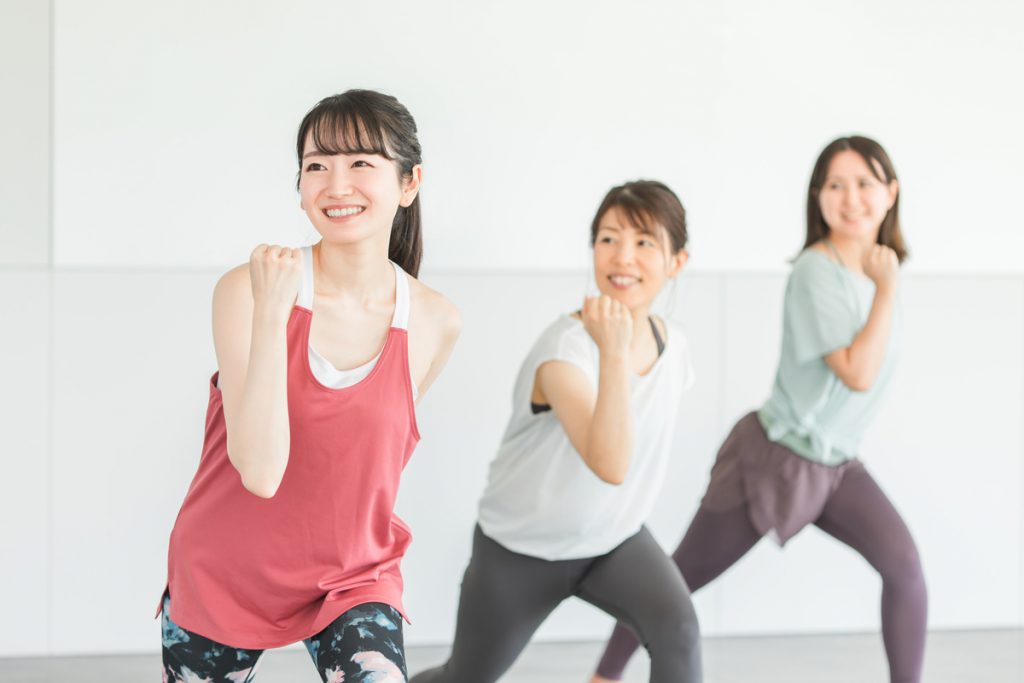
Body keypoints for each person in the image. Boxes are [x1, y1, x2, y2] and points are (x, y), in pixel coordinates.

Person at [592, 136, 926, 683]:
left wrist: (885, 283)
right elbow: (858, 374)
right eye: (835, 185)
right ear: (817, 196)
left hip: (837, 464)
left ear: (890, 192)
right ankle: (604, 676)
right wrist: (887, 290)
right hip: (778, 459)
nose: (851, 198)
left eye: (865, 183)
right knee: (678, 579)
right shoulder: (817, 271)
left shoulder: (879, 271)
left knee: (905, 567)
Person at [159, 89, 461, 683]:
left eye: (361, 163)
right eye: (317, 165)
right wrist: (275, 313)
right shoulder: (247, 290)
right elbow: (261, 470)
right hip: (225, 571)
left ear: (409, 183)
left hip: (353, 575)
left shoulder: (435, 320)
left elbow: (358, 460)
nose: (336, 184)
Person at [411, 180, 702, 683]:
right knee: (464, 677)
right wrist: (613, 351)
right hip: (521, 551)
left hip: (614, 543)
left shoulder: (674, 346)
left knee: (679, 631)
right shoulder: (564, 349)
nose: (622, 256)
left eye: (644, 242)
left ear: (676, 261)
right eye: (608, 239)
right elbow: (610, 462)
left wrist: (618, 348)